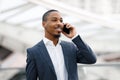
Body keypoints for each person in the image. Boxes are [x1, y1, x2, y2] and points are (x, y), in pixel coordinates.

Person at [26, 9, 97, 80]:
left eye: (61, 20)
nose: (59, 23)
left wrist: (75, 37)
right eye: (54, 20)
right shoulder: (34, 52)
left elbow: (91, 59)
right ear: (44, 24)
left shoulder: (70, 47)